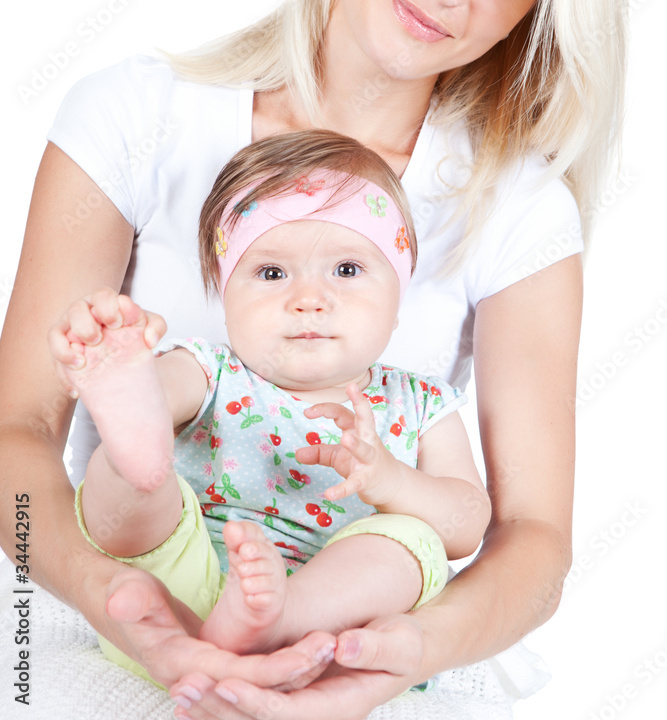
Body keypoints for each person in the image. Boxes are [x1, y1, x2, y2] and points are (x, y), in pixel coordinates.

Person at [0, 0, 626, 720]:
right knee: (134, 477)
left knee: (399, 543)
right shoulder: (135, 119)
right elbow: (16, 437)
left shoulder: (515, 210)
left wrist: (405, 650)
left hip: (359, 638)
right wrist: (113, 596)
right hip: (136, 596)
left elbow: (533, 541)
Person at [49, 131, 490, 692]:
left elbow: (465, 525)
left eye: (346, 270)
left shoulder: (420, 405)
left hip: (327, 620)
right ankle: (129, 441)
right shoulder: (209, 370)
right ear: (226, 299)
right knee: (131, 469)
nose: (308, 299)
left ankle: (278, 617)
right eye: (272, 273)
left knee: (414, 543)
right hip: (179, 596)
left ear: (398, 297)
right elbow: (162, 391)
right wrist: (132, 384)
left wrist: (391, 480)